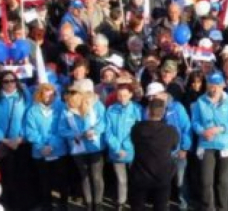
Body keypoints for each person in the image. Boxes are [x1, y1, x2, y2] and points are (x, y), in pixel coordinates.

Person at [190, 71, 228, 211]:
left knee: (223, 179)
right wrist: (202, 131)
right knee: (206, 180)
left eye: (217, 86)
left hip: (225, 144)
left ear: (222, 86)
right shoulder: (200, 101)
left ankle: (223, 207)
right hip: (206, 143)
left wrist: (221, 129)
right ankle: (209, 207)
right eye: (211, 85)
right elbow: (195, 122)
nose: (214, 89)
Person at [58, 79, 106, 211]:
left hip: (95, 145)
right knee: (84, 175)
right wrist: (75, 134)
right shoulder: (68, 107)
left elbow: (103, 122)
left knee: (96, 176)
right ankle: (89, 204)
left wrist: (95, 130)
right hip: (78, 147)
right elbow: (62, 129)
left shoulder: (97, 105)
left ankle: (98, 204)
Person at [0, 70, 33, 210]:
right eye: (6, 81)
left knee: (23, 174)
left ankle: (24, 204)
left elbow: (28, 117)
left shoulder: (24, 95)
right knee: (6, 175)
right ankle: (8, 204)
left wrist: (21, 137)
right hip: (3, 142)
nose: (9, 84)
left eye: (12, 81)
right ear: (1, 83)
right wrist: (4, 139)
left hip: (21, 142)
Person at [23, 82, 69, 210]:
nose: (49, 97)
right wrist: (42, 146)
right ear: (40, 94)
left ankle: (63, 203)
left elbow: (62, 129)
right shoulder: (32, 110)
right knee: (44, 180)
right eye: (46, 94)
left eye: (52, 95)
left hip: (59, 150)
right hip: (40, 151)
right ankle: (47, 204)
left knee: (62, 179)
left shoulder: (61, 107)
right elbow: (30, 132)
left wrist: (52, 145)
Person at [130, 97, 179, 211]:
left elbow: (133, 141)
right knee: (161, 206)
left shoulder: (137, 128)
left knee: (137, 206)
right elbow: (174, 146)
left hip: (140, 174)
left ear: (148, 111)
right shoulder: (170, 131)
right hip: (162, 175)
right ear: (163, 112)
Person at [104, 82, 141, 209]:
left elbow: (139, 130)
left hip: (133, 149)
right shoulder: (111, 109)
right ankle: (121, 201)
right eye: (119, 95)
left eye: (125, 95)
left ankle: (135, 201)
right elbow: (108, 131)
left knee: (135, 178)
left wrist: (127, 146)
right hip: (116, 150)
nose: (122, 98)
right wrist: (117, 147)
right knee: (121, 179)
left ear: (130, 95)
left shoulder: (137, 109)